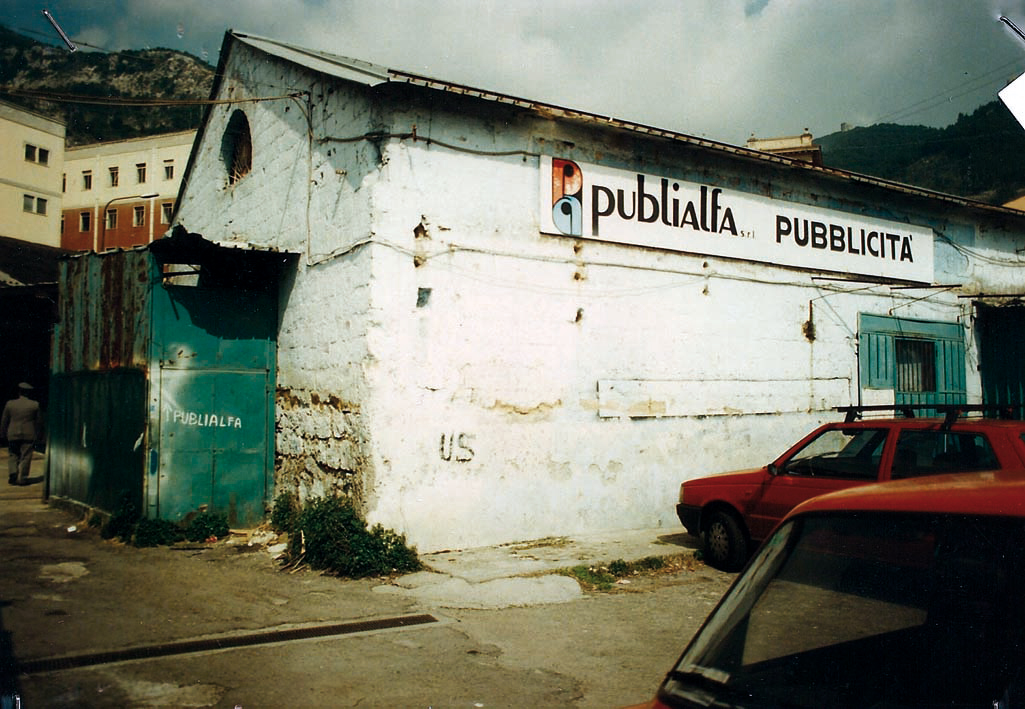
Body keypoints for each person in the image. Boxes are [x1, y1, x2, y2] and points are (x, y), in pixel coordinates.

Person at [2, 383, 43, 486]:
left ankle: (13, 472)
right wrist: (40, 435)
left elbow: (4, 420)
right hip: (28, 434)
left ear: (19, 392)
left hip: (13, 433)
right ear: (28, 392)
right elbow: (39, 422)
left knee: (13, 454)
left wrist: (3, 433)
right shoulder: (35, 405)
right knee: (26, 456)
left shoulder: (10, 404)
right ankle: (22, 478)